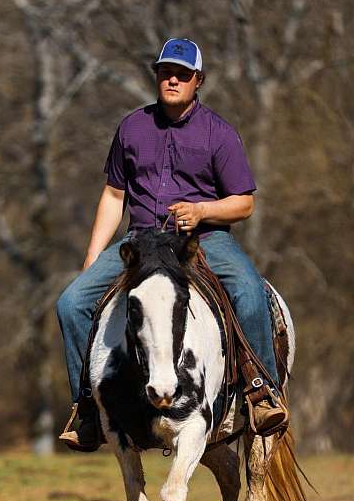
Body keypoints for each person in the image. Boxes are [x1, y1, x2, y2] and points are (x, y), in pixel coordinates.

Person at [56, 38, 287, 451]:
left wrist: (200, 213)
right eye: (166, 73)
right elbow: (113, 195)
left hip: (202, 241)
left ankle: (261, 392)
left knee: (250, 292)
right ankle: (86, 409)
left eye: (182, 74)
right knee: (70, 303)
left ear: (199, 80)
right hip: (141, 240)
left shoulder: (220, 134)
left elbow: (244, 203)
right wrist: (93, 256)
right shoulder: (132, 127)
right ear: (157, 77)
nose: (173, 80)